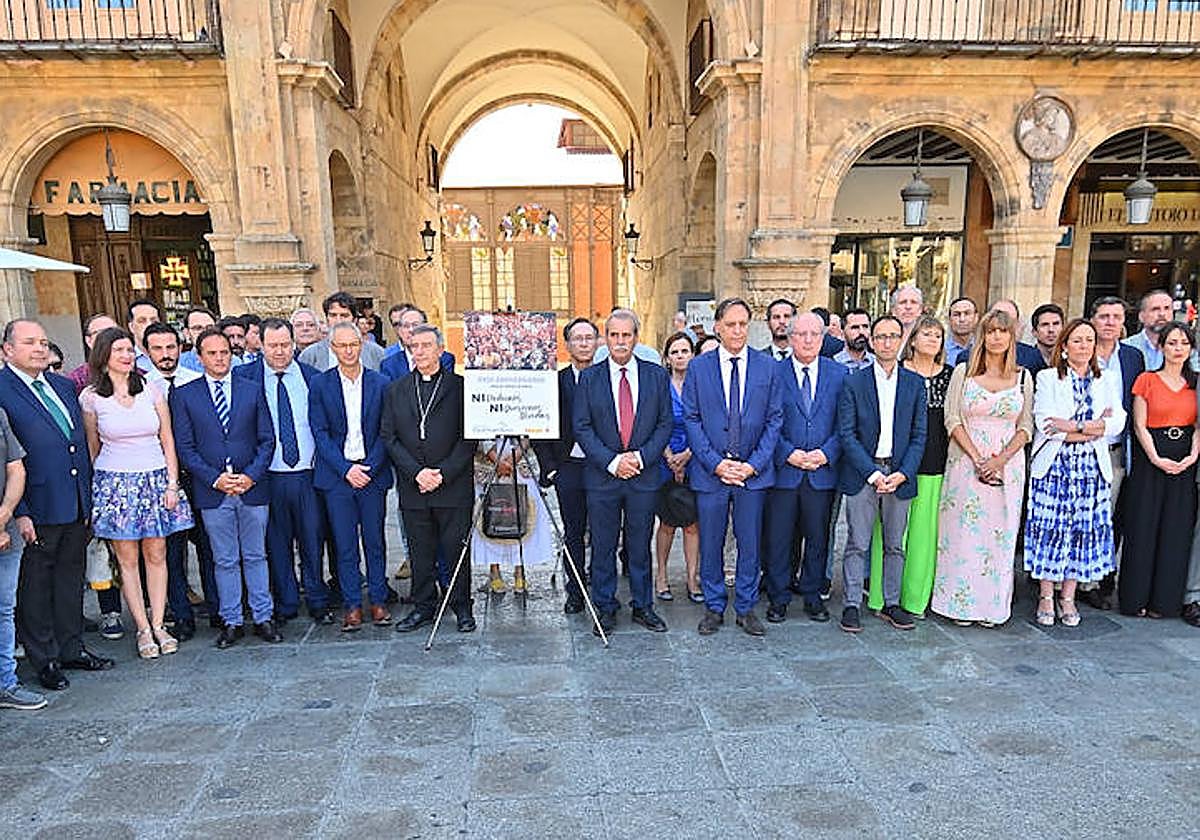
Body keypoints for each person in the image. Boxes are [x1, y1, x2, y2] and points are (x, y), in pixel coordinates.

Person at [0, 319, 113, 691]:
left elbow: (77, 445)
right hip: (35, 504)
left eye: (43, 342)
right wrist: (21, 511)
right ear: (7, 350)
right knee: (36, 586)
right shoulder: (3, 389)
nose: (39, 348)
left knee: (69, 580)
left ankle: (71, 647)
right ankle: (44, 658)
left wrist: (89, 498)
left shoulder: (64, 387)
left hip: (75, 500)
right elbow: (8, 459)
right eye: (29, 342)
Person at [80, 327, 194, 659]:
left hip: (156, 478)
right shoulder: (90, 397)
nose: (128, 355)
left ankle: (160, 624)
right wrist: (95, 494)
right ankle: (142, 628)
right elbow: (92, 447)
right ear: (104, 355)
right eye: (120, 350)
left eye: (130, 350)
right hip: (115, 482)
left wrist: (172, 483)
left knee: (157, 556)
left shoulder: (152, 389)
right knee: (127, 561)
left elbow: (168, 439)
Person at [171, 327, 281, 649]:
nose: (220, 358)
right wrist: (215, 479)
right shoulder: (185, 394)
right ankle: (231, 620)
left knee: (257, 555)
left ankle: (263, 617)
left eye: (224, 353)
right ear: (199, 357)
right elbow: (186, 448)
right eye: (212, 353)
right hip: (213, 491)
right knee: (225, 559)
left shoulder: (251, 389)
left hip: (252, 487)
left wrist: (250, 476)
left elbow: (266, 439)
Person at [684, 297, 783, 637]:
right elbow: (692, 419)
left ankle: (745, 606)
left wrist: (752, 466)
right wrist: (716, 464)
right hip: (711, 474)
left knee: (750, 542)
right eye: (731, 325)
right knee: (710, 542)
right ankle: (714, 606)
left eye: (743, 324)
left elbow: (774, 421)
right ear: (717, 327)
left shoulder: (767, 367)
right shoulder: (699, 368)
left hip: (752, 476)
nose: (738, 331)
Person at [574, 309, 673, 635]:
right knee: (602, 545)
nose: (620, 341)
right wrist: (613, 461)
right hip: (603, 477)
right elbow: (582, 427)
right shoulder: (589, 378)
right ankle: (605, 607)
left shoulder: (656, 375)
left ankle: (643, 605)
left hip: (643, 477)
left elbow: (664, 424)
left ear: (635, 337)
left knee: (639, 544)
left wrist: (641, 458)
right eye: (614, 335)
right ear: (606, 338)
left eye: (626, 335)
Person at [932, 309, 1033, 627]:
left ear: (1011, 336)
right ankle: (957, 605)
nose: (997, 337)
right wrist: (977, 458)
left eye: (1003, 331)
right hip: (965, 463)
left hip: (1007, 468)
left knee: (998, 539)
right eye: (990, 331)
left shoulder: (1023, 377)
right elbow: (952, 418)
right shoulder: (963, 372)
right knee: (961, 536)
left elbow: (1026, 425)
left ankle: (991, 608)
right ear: (982, 336)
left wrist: (999, 461)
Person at [1025, 319, 1126, 627]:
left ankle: (1067, 596)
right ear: (1065, 346)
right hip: (1055, 468)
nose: (1084, 346)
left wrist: (1076, 426)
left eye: (1089, 340)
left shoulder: (1105, 379)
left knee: (1081, 532)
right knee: (1050, 530)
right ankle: (1046, 595)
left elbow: (1117, 422)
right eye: (1078, 340)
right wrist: (1092, 427)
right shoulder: (1047, 378)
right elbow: (1046, 424)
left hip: (1091, 469)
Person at [234, 318, 333, 626]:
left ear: (294, 344)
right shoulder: (243, 378)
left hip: (307, 473)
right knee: (276, 542)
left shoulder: (313, 377)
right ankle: (286, 601)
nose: (280, 352)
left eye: (285, 345)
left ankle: (317, 598)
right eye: (273, 345)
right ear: (260, 345)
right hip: (266, 474)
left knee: (312, 539)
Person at [383, 325, 477, 634]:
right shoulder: (396, 389)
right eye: (415, 346)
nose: (420, 351)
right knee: (421, 552)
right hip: (415, 486)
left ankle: (462, 605)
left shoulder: (461, 387)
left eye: (426, 345)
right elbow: (390, 438)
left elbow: (469, 438)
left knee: (456, 549)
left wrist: (443, 473)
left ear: (440, 349)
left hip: (453, 486)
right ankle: (423, 606)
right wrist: (418, 473)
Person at [836, 314, 926, 633]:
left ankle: (891, 603)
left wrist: (902, 473)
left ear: (901, 340)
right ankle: (850, 605)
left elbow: (919, 435)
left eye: (892, 336)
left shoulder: (915, 384)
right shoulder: (853, 381)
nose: (887, 342)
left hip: (899, 473)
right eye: (880, 337)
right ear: (872, 342)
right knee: (857, 542)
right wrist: (873, 473)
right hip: (864, 472)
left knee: (894, 544)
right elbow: (846, 433)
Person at [309, 322, 394, 631]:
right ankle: (352, 605)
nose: (348, 350)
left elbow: (387, 432)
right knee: (344, 545)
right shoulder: (320, 385)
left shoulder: (381, 383)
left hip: (372, 474)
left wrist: (368, 467)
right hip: (337, 477)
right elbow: (319, 433)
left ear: (362, 345)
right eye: (341, 345)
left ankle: (379, 601)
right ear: (332, 348)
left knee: (375, 541)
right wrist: (346, 469)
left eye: (353, 345)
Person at [868, 314, 953, 618]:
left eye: (938, 335)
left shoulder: (951, 375)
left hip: (933, 463)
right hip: (896, 464)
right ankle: (881, 597)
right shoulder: (896, 373)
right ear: (912, 339)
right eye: (927, 333)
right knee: (888, 534)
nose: (933, 339)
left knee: (922, 535)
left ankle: (914, 600)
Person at [764, 312, 846, 623]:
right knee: (779, 538)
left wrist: (827, 453)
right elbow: (766, 420)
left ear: (823, 338)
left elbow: (845, 423)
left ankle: (813, 596)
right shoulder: (774, 372)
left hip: (822, 473)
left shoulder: (839, 375)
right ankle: (779, 597)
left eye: (814, 334)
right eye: (801, 334)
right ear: (790, 337)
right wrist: (788, 453)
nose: (808, 340)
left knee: (817, 537)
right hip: (785, 471)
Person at [1120, 322, 1199, 619]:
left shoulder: (1196, 383)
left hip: (1185, 460)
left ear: (1190, 348)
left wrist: (1192, 455)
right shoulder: (1146, 380)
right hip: (1151, 457)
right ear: (1161, 347)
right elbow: (1139, 425)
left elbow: (1198, 425)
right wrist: (1155, 457)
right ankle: (1135, 599)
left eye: (1183, 343)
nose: (1177, 349)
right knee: (1143, 527)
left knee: (1175, 530)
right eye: (1172, 343)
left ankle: (1164, 602)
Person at [142, 322, 213, 641]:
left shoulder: (197, 381)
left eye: (171, 347)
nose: (165, 354)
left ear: (181, 348)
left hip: (199, 476)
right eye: (157, 348)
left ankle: (217, 608)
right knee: (171, 552)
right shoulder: (141, 387)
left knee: (209, 545)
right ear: (146, 351)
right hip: (162, 480)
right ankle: (181, 614)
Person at [532, 317, 598, 614]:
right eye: (577, 338)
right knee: (573, 532)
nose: (583, 343)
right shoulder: (554, 382)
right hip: (567, 467)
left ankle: (601, 586)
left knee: (603, 531)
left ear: (598, 342)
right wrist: (551, 468)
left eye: (589, 338)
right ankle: (575, 590)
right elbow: (539, 426)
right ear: (567, 344)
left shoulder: (608, 378)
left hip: (602, 467)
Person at [1082, 296, 1143, 610]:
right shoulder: (1080, 351)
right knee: (1078, 517)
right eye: (1103, 316)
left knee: (1106, 519)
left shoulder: (1132, 357)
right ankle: (1075, 579)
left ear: (1124, 322)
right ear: (1092, 319)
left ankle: (1097, 581)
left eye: (1116, 317)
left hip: (1116, 450)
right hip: (1080, 448)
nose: (1109, 322)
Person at [0, 406, 45, 710]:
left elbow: (16, 469)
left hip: (6, 531)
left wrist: (3, 517)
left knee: (4, 609)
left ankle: (5, 684)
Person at [654, 331, 701, 603]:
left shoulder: (701, 384)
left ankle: (692, 579)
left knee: (693, 523)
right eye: (675, 352)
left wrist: (687, 455)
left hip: (695, 459)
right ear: (667, 358)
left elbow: (707, 423)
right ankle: (661, 576)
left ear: (692, 355)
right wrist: (671, 456)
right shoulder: (660, 386)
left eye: (685, 351)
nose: (680, 356)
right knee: (668, 523)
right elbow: (654, 421)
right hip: (664, 458)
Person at [300, 292, 386, 372]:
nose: (338, 320)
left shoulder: (376, 353)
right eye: (333, 315)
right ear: (327, 319)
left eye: (344, 315)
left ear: (354, 320)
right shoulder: (310, 355)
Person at [381, 304, 455, 381]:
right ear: (400, 331)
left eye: (415, 325)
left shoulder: (444, 359)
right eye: (406, 326)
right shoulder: (389, 365)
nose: (411, 330)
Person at [1123, 288, 1174, 370]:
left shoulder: (1184, 348)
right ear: (1141, 316)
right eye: (1155, 309)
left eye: (1167, 308)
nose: (1162, 314)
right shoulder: (1126, 347)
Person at [67, 314, 118, 394]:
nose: (110, 337)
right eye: (103, 332)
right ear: (88, 340)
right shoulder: (76, 380)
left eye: (115, 332)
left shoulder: (138, 373)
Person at [127, 298, 161, 374]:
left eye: (154, 321)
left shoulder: (172, 355)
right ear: (131, 327)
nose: (149, 325)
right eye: (142, 321)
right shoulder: (126, 359)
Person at [178, 307, 217, 372]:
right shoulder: (178, 364)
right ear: (186, 333)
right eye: (198, 328)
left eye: (210, 328)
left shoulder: (233, 362)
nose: (204, 332)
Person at [945, 297, 978, 366]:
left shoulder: (984, 348)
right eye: (956, 314)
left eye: (967, 313)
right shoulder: (940, 349)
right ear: (949, 319)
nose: (962, 319)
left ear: (976, 317)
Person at [1031, 303, 1065, 368]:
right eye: (1045, 325)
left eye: (1056, 324)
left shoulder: (1071, 360)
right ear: (1034, 332)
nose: (1051, 330)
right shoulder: (1025, 360)